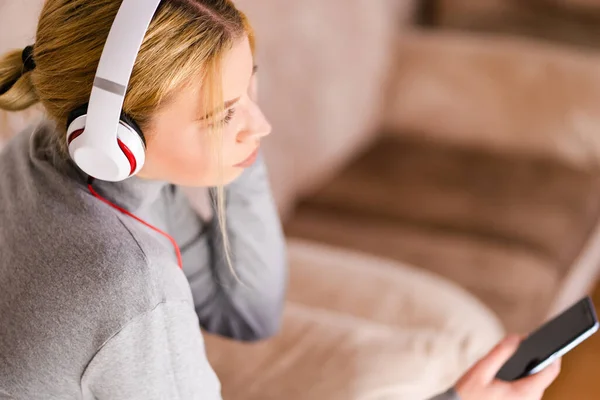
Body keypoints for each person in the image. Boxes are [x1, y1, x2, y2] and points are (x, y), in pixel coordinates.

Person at [0, 1, 560, 399]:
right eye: (222, 115)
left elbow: (248, 313)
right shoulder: (130, 284)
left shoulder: (36, 156)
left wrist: (232, 143)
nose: (262, 125)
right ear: (114, 142)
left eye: (251, 88)